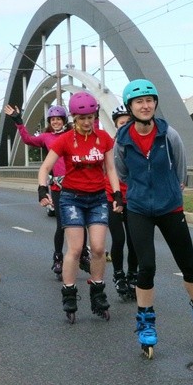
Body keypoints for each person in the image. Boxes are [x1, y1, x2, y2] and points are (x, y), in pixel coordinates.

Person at [114, 79, 193, 360]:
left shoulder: (169, 134)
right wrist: (141, 193)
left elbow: (180, 171)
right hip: (138, 208)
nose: (145, 105)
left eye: (149, 100)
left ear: (155, 104)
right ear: (130, 106)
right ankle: (146, 323)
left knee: (189, 264)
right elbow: (122, 172)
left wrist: (167, 194)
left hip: (170, 207)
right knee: (146, 267)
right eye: (139, 102)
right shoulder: (122, 140)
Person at [36, 90, 122, 323]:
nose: (87, 122)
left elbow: (111, 169)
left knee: (97, 248)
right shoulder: (65, 139)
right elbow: (45, 168)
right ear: (74, 118)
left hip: (96, 198)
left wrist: (116, 194)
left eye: (91, 117)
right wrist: (43, 190)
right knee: (75, 249)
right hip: (72, 197)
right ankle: (70, 292)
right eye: (81, 118)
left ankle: (97, 292)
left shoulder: (103, 138)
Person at [4, 102, 74, 278]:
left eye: (59, 119)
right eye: (53, 120)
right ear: (49, 121)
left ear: (64, 120)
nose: (56, 122)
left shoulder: (73, 134)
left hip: (76, 184)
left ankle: (83, 254)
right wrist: (18, 121)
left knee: (80, 223)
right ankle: (58, 257)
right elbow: (28, 140)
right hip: (58, 186)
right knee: (62, 224)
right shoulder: (46, 137)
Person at [108, 104, 138, 301]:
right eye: (121, 123)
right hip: (112, 199)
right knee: (118, 239)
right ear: (116, 126)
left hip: (134, 199)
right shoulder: (108, 146)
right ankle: (118, 274)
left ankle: (132, 275)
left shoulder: (139, 145)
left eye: (128, 122)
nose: (125, 126)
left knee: (135, 241)